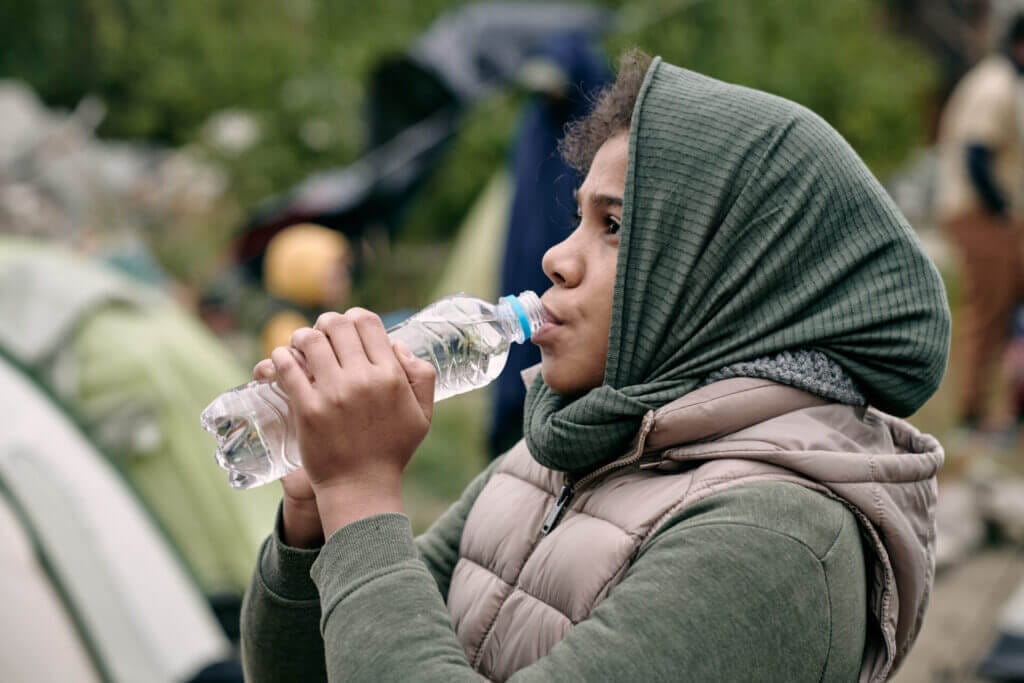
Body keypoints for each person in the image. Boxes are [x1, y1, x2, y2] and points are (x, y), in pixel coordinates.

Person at [240, 51, 950, 681]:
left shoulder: (775, 542)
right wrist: (318, 513)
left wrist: (365, 494)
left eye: (614, 226)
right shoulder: (557, 450)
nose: (556, 257)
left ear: (730, 273)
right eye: (578, 217)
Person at [937, 13, 1024, 433]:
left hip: (987, 214)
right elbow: (976, 155)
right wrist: (1004, 211)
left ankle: (1005, 407)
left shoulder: (1000, 82)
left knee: (1003, 309)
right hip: (980, 214)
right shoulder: (996, 85)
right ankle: (971, 415)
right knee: (987, 311)